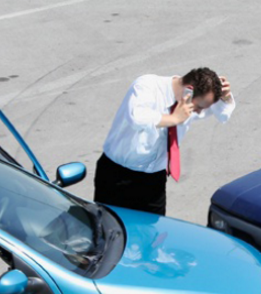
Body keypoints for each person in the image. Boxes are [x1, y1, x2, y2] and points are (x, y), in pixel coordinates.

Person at [94, 68, 236, 216]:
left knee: (154, 233)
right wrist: (173, 118)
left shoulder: (190, 103)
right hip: (117, 176)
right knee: (108, 232)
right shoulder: (147, 85)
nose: (199, 112)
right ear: (189, 91)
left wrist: (225, 97)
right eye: (199, 107)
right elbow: (137, 117)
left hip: (154, 180)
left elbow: (223, 115)